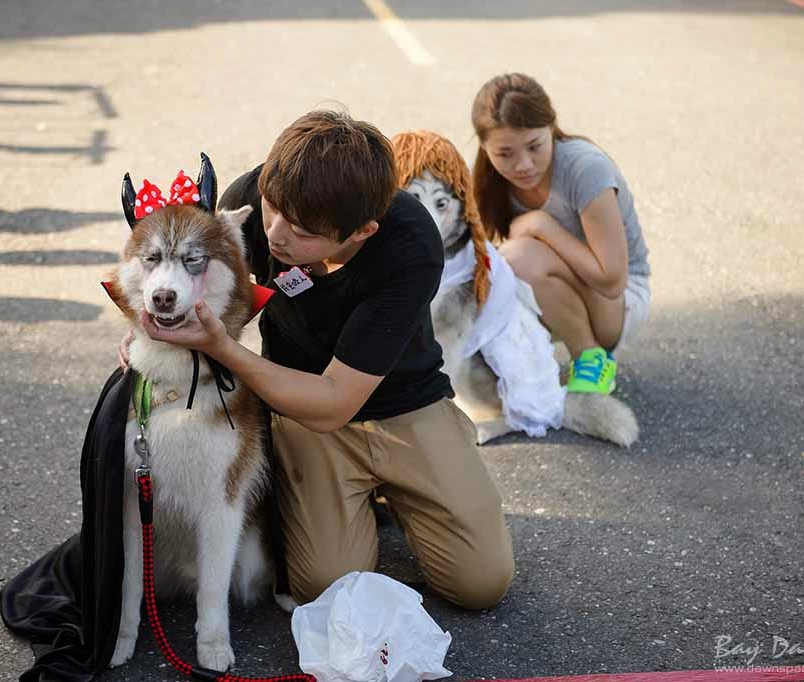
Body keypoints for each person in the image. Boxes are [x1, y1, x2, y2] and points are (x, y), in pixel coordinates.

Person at [120, 110, 514, 609]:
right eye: (273, 208)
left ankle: (401, 487)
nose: (278, 235)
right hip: (299, 403)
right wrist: (150, 337)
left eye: (303, 230)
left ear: (362, 231)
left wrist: (223, 348)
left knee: (480, 585)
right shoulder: (248, 200)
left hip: (400, 401)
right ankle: (353, 503)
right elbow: (198, 297)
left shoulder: (409, 243)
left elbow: (334, 401)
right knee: (327, 589)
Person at [471, 73, 651, 394]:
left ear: (551, 128)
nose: (523, 165)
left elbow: (613, 281)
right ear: (485, 147)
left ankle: (591, 359)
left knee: (518, 256)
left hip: (620, 302)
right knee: (494, 266)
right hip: (562, 291)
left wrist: (544, 227)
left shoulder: (585, 168)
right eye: (505, 154)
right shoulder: (489, 181)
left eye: (534, 146)